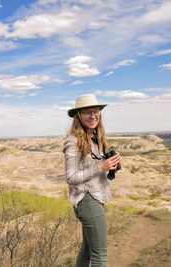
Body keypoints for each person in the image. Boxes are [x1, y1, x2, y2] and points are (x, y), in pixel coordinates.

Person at [63, 93, 121, 267]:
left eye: (95, 111)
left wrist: (111, 165)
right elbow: (71, 177)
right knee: (100, 256)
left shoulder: (94, 138)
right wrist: (100, 167)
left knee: (87, 250)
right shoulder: (73, 142)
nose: (93, 116)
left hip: (95, 197)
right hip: (87, 200)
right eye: (87, 112)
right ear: (78, 116)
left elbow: (93, 170)